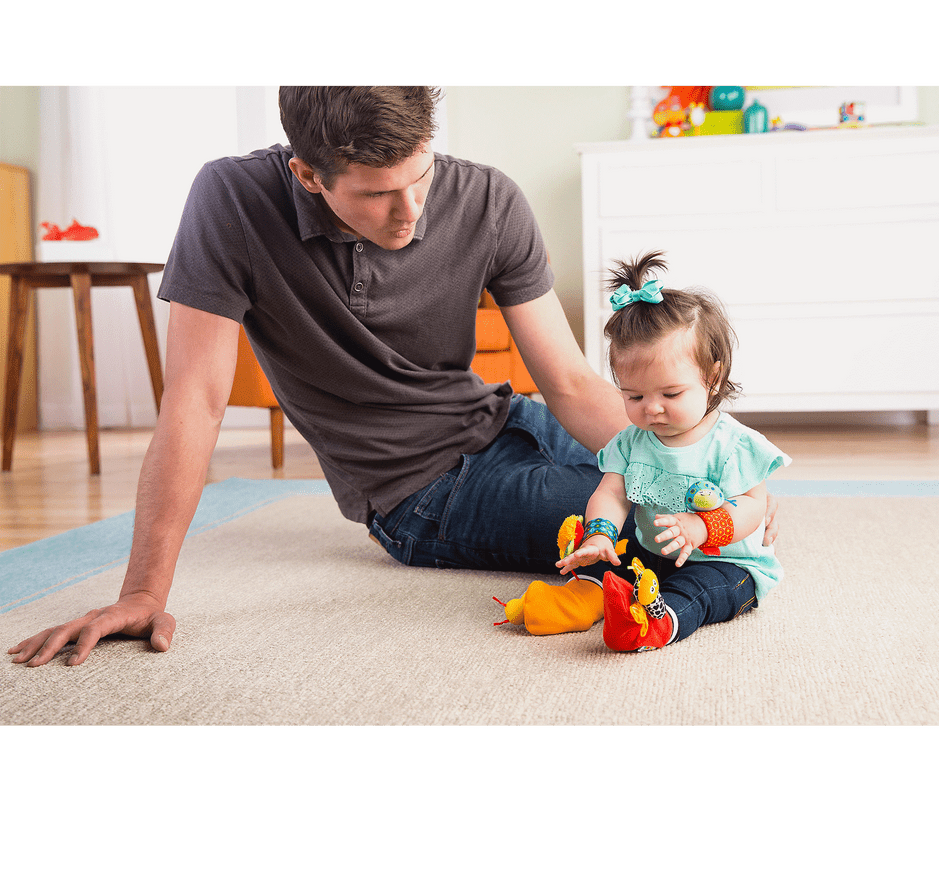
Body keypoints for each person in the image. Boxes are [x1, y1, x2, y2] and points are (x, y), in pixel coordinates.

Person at [9, 86, 780, 668]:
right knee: (659, 541)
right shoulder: (232, 200)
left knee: (692, 501)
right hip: (424, 493)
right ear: (308, 174)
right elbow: (196, 401)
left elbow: (575, 385)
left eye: (420, 177)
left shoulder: (488, 198)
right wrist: (143, 591)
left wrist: (690, 464)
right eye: (377, 195)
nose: (410, 212)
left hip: (509, 421)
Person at [500, 250, 790, 651]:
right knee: (610, 561)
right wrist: (600, 534)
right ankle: (580, 599)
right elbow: (612, 492)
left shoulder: (733, 445)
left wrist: (702, 528)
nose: (651, 408)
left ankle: (655, 622)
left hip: (725, 563)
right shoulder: (631, 442)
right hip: (652, 553)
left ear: (712, 376)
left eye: (671, 393)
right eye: (634, 395)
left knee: (699, 592)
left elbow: (754, 505)